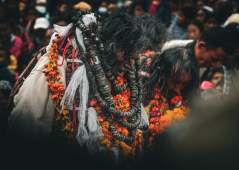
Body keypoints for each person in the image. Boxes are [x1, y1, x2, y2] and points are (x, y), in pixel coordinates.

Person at [7, 10, 148, 162]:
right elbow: (26, 129)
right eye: (125, 56)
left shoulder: (120, 74)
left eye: (133, 58)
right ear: (107, 47)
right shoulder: (56, 67)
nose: (130, 65)